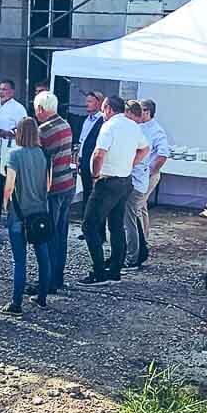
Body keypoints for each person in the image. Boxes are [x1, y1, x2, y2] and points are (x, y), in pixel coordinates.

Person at [82, 96, 148, 285]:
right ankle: (115, 270)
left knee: (89, 225)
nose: (102, 113)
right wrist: (130, 163)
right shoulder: (133, 126)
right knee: (116, 225)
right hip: (124, 180)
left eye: (103, 109)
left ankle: (99, 272)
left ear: (109, 109)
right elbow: (145, 149)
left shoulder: (109, 126)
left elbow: (99, 154)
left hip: (108, 180)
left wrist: (95, 175)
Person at [0, 118, 52, 314]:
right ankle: (42, 297)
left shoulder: (14, 154)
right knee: (43, 256)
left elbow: (10, 185)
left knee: (19, 260)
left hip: (19, 213)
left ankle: (16, 303)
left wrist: (5, 205)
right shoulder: (43, 153)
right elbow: (48, 185)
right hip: (39, 212)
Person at [34, 91, 74, 294]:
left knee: (48, 234)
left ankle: (47, 281)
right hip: (67, 183)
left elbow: (38, 161)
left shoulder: (43, 131)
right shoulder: (66, 124)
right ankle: (58, 277)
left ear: (41, 109)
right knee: (61, 233)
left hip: (53, 187)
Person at [125, 98, 171, 269]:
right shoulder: (137, 126)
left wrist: (150, 171)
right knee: (140, 208)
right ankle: (142, 240)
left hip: (148, 175)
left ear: (147, 112)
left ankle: (137, 247)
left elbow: (163, 153)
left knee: (134, 208)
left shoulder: (156, 130)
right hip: (138, 174)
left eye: (141, 110)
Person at [0, 79, 27, 224]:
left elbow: (23, 127)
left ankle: (13, 214)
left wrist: (9, 133)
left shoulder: (18, 108)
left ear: (12, 92)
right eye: (0, 89)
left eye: (5, 89)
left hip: (9, 150)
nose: (1, 92)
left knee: (10, 183)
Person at [121, 101, 152, 272]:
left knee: (130, 220)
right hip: (137, 181)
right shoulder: (138, 130)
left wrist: (127, 165)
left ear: (131, 114)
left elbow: (143, 153)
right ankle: (140, 252)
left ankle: (132, 258)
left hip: (136, 182)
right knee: (133, 219)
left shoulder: (136, 131)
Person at [76, 91, 105, 238]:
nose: (86, 104)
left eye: (90, 101)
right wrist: (78, 157)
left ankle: (98, 231)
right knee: (87, 195)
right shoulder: (87, 120)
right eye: (86, 101)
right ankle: (87, 229)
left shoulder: (103, 121)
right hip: (84, 162)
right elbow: (82, 141)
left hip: (95, 164)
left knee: (96, 198)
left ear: (98, 102)